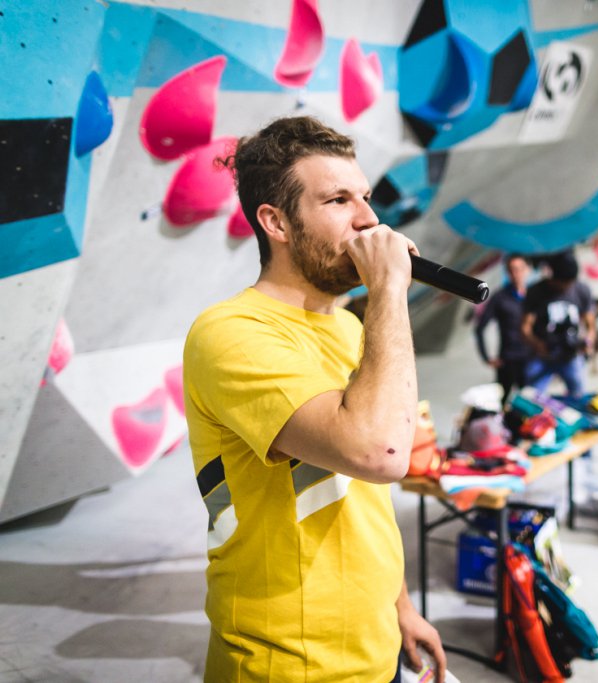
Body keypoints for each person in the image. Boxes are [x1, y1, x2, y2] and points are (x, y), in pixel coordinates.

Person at [182, 116, 445, 682]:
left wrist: (400, 609)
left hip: (375, 648)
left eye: (367, 198)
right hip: (287, 662)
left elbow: (364, 494)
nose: (369, 220)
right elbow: (378, 453)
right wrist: (390, 292)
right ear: (276, 222)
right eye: (338, 200)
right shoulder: (231, 333)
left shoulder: (354, 329)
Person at [521, 250, 595, 397]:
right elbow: (525, 327)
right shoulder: (536, 291)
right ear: (552, 278)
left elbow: (590, 325)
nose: (566, 286)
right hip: (543, 356)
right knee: (531, 397)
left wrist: (588, 342)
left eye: (570, 282)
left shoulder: (581, 290)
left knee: (578, 396)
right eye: (563, 282)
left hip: (571, 356)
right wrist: (537, 344)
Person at [475, 253, 531, 405]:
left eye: (520, 269)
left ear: (527, 270)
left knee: (530, 400)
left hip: (530, 358)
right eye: (512, 270)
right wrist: (486, 357)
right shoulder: (500, 297)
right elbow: (480, 328)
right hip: (508, 358)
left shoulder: (534, 295)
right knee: (502, 401)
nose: (516, 274)